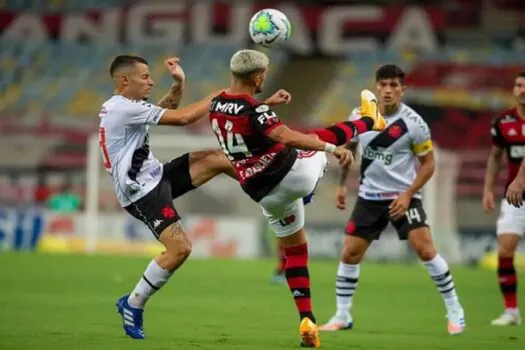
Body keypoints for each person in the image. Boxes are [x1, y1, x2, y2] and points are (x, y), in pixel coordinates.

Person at [103, 55, 290, 339]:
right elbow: (185, 117)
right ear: (124, 80)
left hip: (156, 176)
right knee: (180, 249)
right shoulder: (121, 109)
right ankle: (132, 303)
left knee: (216, 158)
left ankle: (275, 195)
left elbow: (168, 107)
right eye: (145, 77)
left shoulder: (129, 107)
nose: (152, 81)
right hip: (140, 193)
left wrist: (179, 82)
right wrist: (226, 95)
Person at [208, 49, 385, 348]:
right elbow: (285, 136)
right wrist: (334, 150)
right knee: (315, 139)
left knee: (295, 251)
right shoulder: (258, 111)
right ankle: (370, 121)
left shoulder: (216, 104)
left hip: (263, 192)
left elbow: (242, 117)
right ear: (259, 76)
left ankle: (307, 320)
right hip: (292, 174)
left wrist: (266, 104)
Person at [319, 64, 465, 335]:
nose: (388, 90)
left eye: (393, 86)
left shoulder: (414, 124)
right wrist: (341, 185)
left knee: (426, 250)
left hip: (403, 199)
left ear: (402, 89)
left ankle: (455, 309)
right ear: (376, 87)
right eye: (383, 85)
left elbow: (429, 164)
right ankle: (342, 315)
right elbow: (349, 148)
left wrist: (408, 194)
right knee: (350, 254)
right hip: (369, 197)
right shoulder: (359, 115)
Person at [482, 71, 525, 326]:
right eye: (519, 85)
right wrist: (488, 189)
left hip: (517, 187)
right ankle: (511, 311)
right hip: (515, 197)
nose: (521, 89)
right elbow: (495, 157)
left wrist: (520, 180)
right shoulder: (503, 120)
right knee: (505, 250)